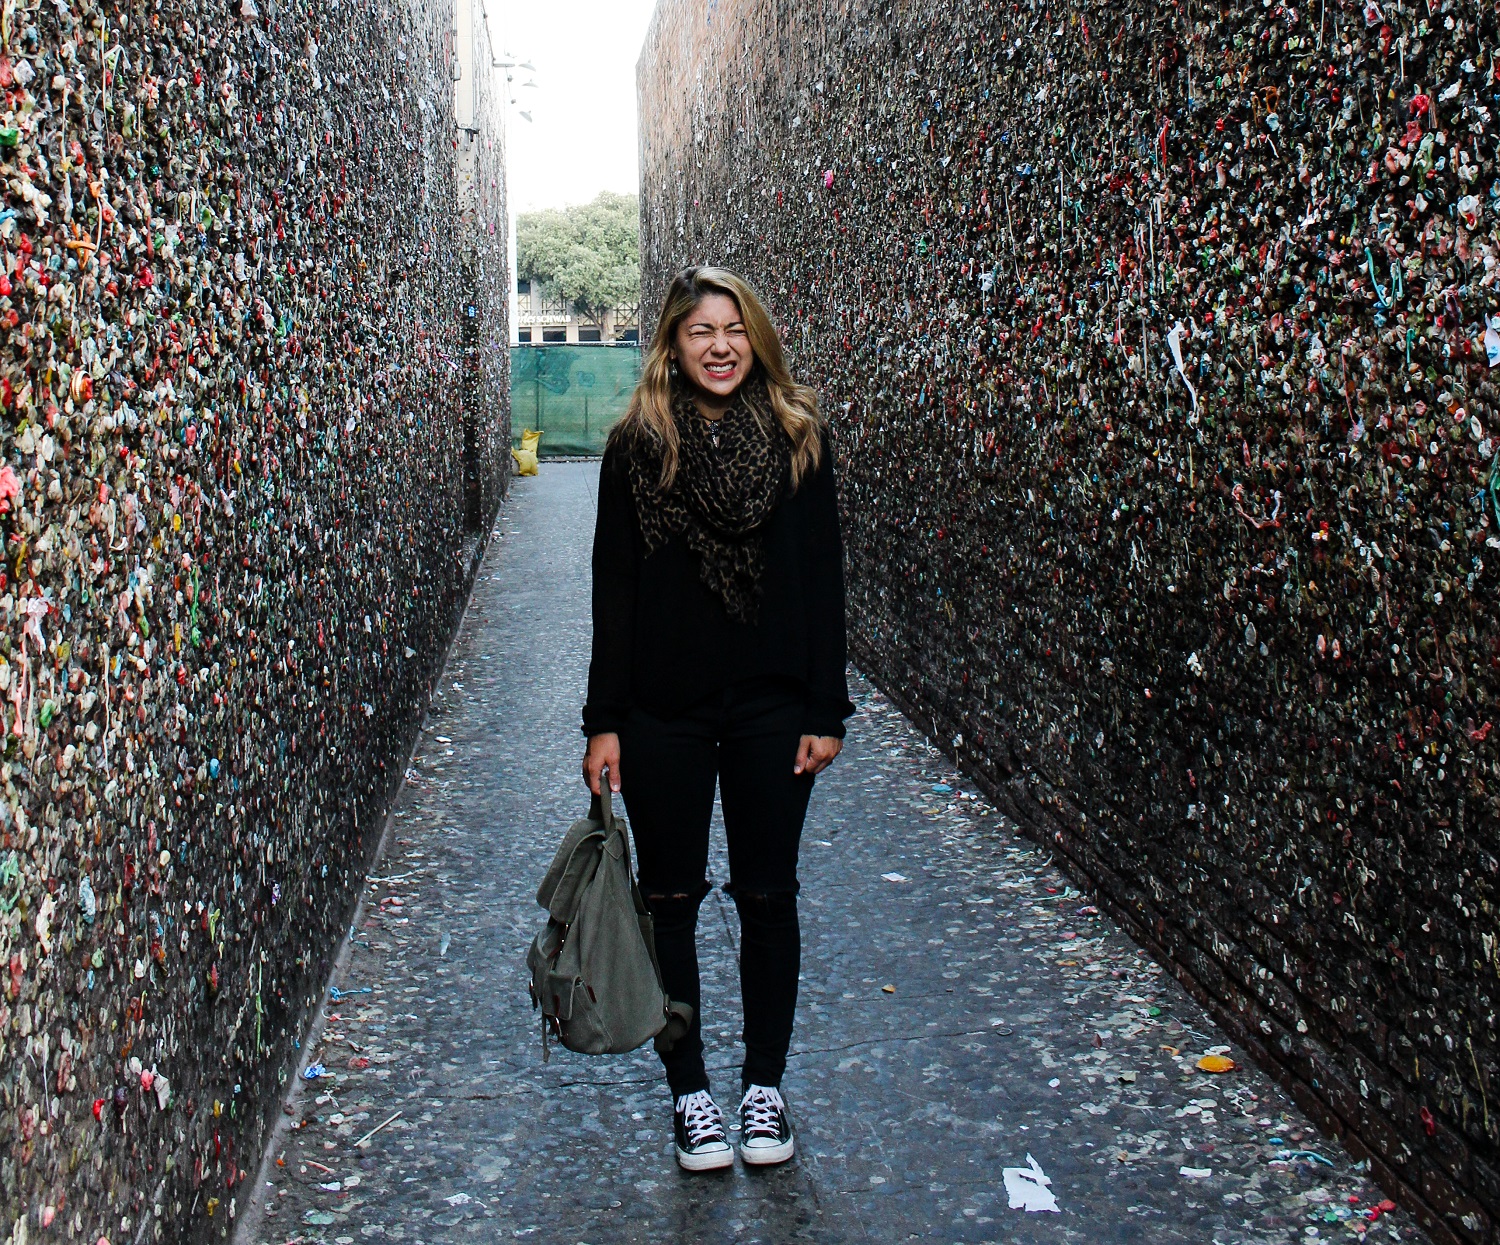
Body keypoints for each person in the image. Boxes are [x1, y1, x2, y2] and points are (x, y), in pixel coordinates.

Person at [581, 266, 853, 1172]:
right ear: (672, 343)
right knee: (670, 899)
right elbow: (613, 588)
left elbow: (823, 578)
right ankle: (691, 1092)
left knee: (770, 895)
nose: (721, 345)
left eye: (734, 328)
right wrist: (603, 720)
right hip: (663, 712)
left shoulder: (796, 439)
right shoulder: (635, 449)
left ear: (757, 337)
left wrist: (827, 704)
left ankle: (765, 1088)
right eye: (701, 330)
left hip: (776, 706)